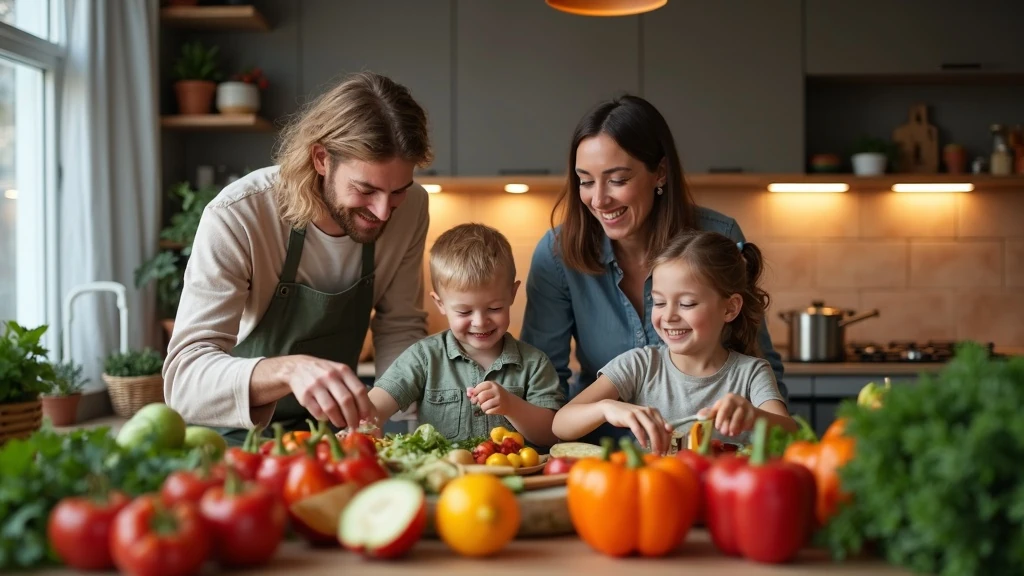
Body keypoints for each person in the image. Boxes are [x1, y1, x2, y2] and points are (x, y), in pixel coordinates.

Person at [163, 71, 433, 444]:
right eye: (364, 189)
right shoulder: (239, 215)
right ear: (322, 158)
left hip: (332, 441)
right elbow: (184, 380)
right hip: (232, 440)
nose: (384, 212)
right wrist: (290, 369)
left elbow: (399, 326)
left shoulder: (413, 207)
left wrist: (414, 433)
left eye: (398, 191)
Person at [520, 94, 788, 444]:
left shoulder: (716, 238)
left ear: (659, 172)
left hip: (712, 460)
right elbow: (543, 389)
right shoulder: (557, 254)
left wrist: (759, 423)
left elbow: (758, 362)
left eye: (617, 179)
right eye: (586, 181)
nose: (599, 200)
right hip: (603, 455)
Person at [551, 230, 796, 454]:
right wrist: (605, 408)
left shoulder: (751, 373)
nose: (668, 316)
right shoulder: (640, 365)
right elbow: (561, 424)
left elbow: (793, 436)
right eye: (658, 302)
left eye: (687, 303)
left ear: (730, 308)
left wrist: (753, 416)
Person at [368, 223, 563, 446]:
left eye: (494, 308)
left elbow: (550, 433)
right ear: (440, 304)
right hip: (444, 479)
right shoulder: (424, 357)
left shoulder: (534, 364)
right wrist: (361, 426)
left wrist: (511, 405)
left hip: (513, 479)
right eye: (464, 311)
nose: (480, 322)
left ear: (512, 294)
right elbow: (377, 404)